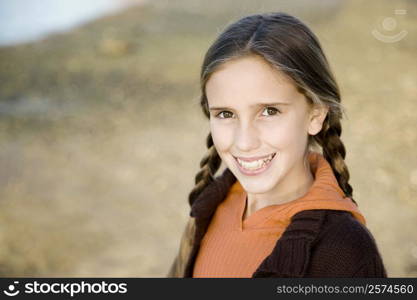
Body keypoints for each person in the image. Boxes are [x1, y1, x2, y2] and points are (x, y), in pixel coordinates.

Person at [167, 12, 387, 278]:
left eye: (269, 111)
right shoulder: (210, 205)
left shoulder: (344, 251)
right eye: (226, 114)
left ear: (315, 115)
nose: (245, 142)